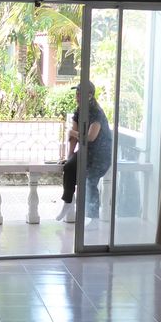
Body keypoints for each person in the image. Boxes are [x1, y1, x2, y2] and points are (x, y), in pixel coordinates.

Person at [56, 80, 112, 222]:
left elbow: (91, 137)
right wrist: (69, 156)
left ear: (90, 95)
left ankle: (93, 219)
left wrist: (73, 132)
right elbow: (73, 137)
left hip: (101, 155)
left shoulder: (96, 112)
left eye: (80, 93)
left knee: (89, 181)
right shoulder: (79, 110)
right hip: (86, 153)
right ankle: (68, 202)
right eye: (77, 93)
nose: (77, 96)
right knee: (69, 167)